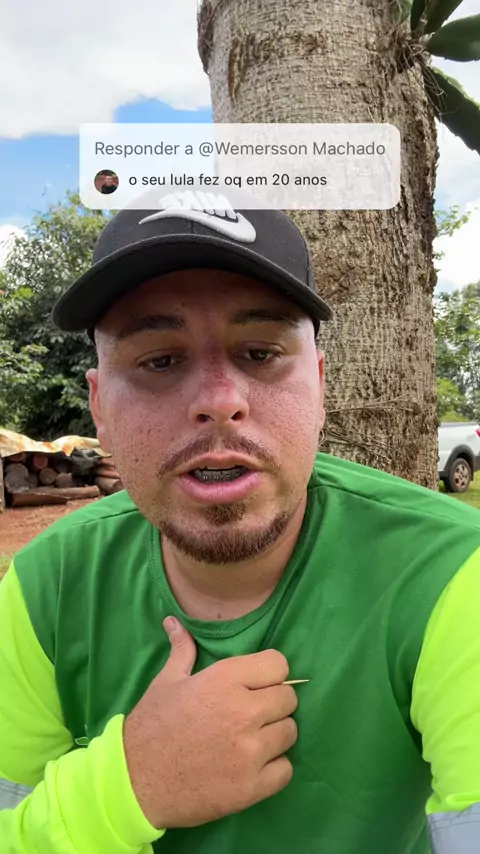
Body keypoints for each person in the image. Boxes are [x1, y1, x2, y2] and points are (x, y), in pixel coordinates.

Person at [1, 194, 480, 854]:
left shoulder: (452, 576)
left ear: (319, 386)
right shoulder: (45, 587)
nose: (219, 402)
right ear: (99, 405)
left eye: (259, 353)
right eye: (160, 361)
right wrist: (128, 789)